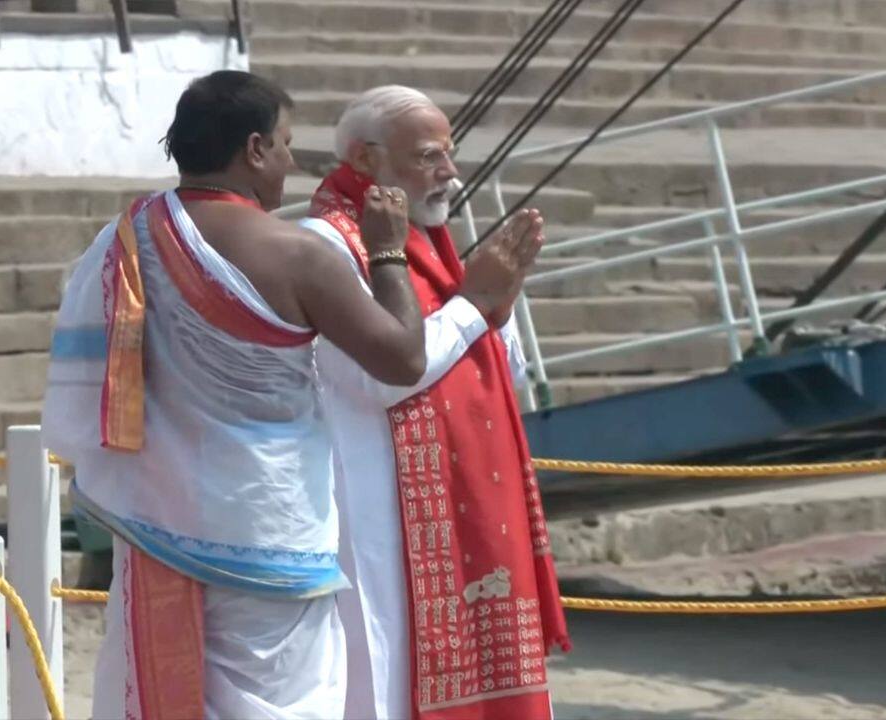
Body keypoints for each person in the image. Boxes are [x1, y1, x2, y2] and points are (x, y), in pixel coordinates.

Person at [42, 70, 432, 718]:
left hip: (156, 520)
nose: (288, 160)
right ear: (253, 149)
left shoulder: (122, 238)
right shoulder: (296, 254)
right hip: (270, 528)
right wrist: (388, 250)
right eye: (282, 144)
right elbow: (403, 357)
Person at [303, 85, 571, 719]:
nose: (449, 172)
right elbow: (382, 376)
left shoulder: (435, 242)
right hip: (382, 518)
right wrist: (475, 304)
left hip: (472, 503)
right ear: (365, 160)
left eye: (449, 155)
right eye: (428, 157)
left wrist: (496, 306)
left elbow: (505, 378)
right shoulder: (329, 242)